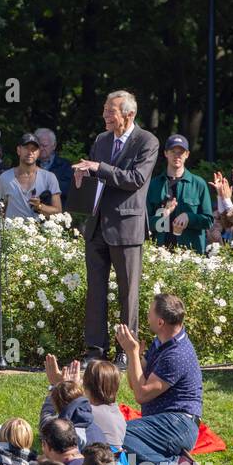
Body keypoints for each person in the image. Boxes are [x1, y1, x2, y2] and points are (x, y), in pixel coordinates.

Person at [72, 90, 160, 368]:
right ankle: (94, 351)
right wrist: (83, 174)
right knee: (95, 291)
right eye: (105, 111)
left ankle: (126, 350)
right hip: (97, 225)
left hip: (127, 227)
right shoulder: (101, 140)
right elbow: (97, 176)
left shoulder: (147, 141)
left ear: (129, 114)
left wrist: (99, 167)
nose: (105, 116)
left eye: (111, 112)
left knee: (128, 293)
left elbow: (135, 179)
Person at [114, 293, 203, 465]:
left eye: (150, 313)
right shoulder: (161, 341)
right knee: (113, 431)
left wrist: (131, 351)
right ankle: (175, 458)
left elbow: (141, 394)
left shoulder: (176, 354)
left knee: (117, 433)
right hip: (165, 422)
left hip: (179, 424)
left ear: (161, 322)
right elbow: (136, 382)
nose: (147, 316)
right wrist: (134, 356)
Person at [146, 134, 213, 253]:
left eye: (181, 152)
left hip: (190, 254)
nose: (177, 156)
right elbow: (144, 222)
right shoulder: (153, 185)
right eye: (173, 151)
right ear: (166, 153)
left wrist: (189, 217)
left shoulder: (199, 184)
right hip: (159, 253)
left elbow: (208, 221)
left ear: (187, 155)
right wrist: (163, 216)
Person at [0, 132, 61, 223]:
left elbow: (58, 212)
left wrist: (40, 207)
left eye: (34, 149)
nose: (30, 152)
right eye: (26, 148)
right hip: (11, 235)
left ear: (38, 152)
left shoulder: (49, 178)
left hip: (39, 235)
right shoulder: (4, 177)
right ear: (18, 150)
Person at [40, 354, 94, 442]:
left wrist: (55, 386)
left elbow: (46, 416)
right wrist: (74, 389)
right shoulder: (95, 423)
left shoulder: (53, 431)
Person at [34, 127, 73, 206]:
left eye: (44, 145)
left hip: (56, 213)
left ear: (54, 146)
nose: (41, 148)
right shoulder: (30, 163)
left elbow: (66, 190)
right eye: (38, 145)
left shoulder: (65, 166)